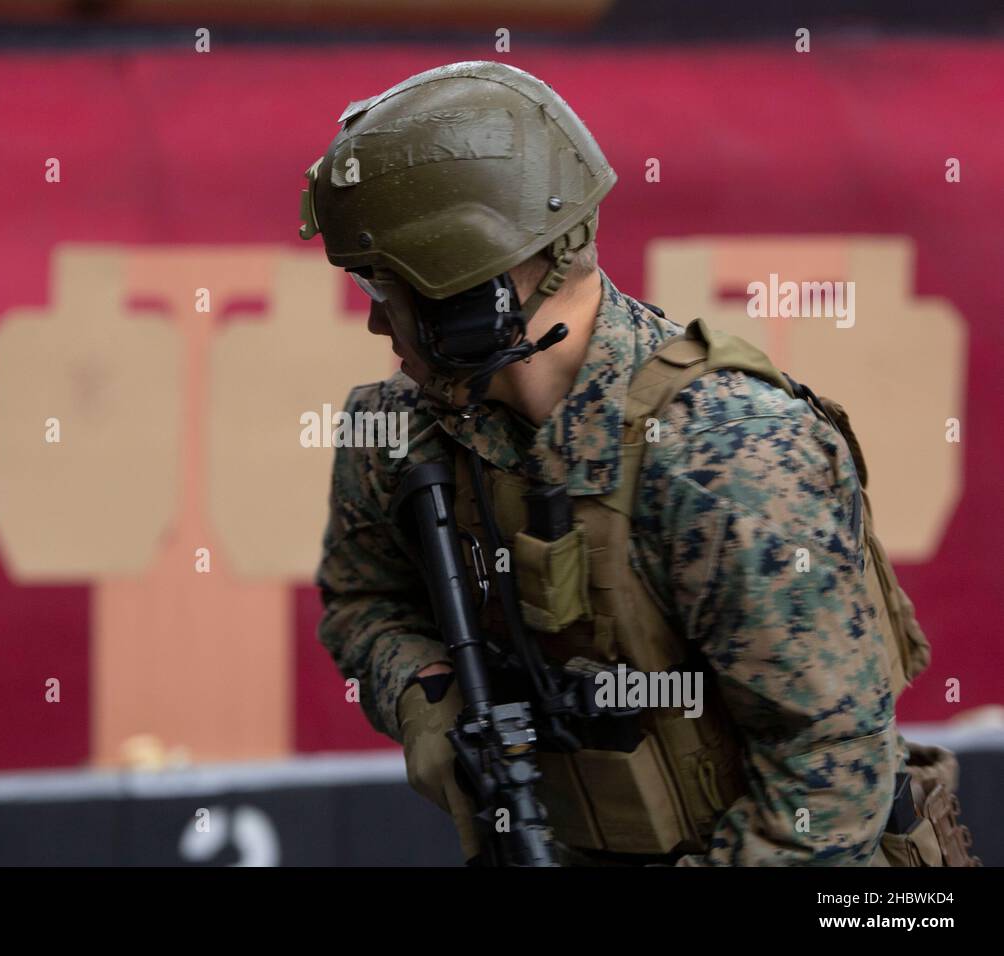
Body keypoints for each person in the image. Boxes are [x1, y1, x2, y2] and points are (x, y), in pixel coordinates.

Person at [301, 61, 940, 865]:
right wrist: (430, 700)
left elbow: (830, 777)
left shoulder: (732, 456)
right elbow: (364, 598)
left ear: (474, 299)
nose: (374, 326)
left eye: (387, 289)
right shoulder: (401, 431)